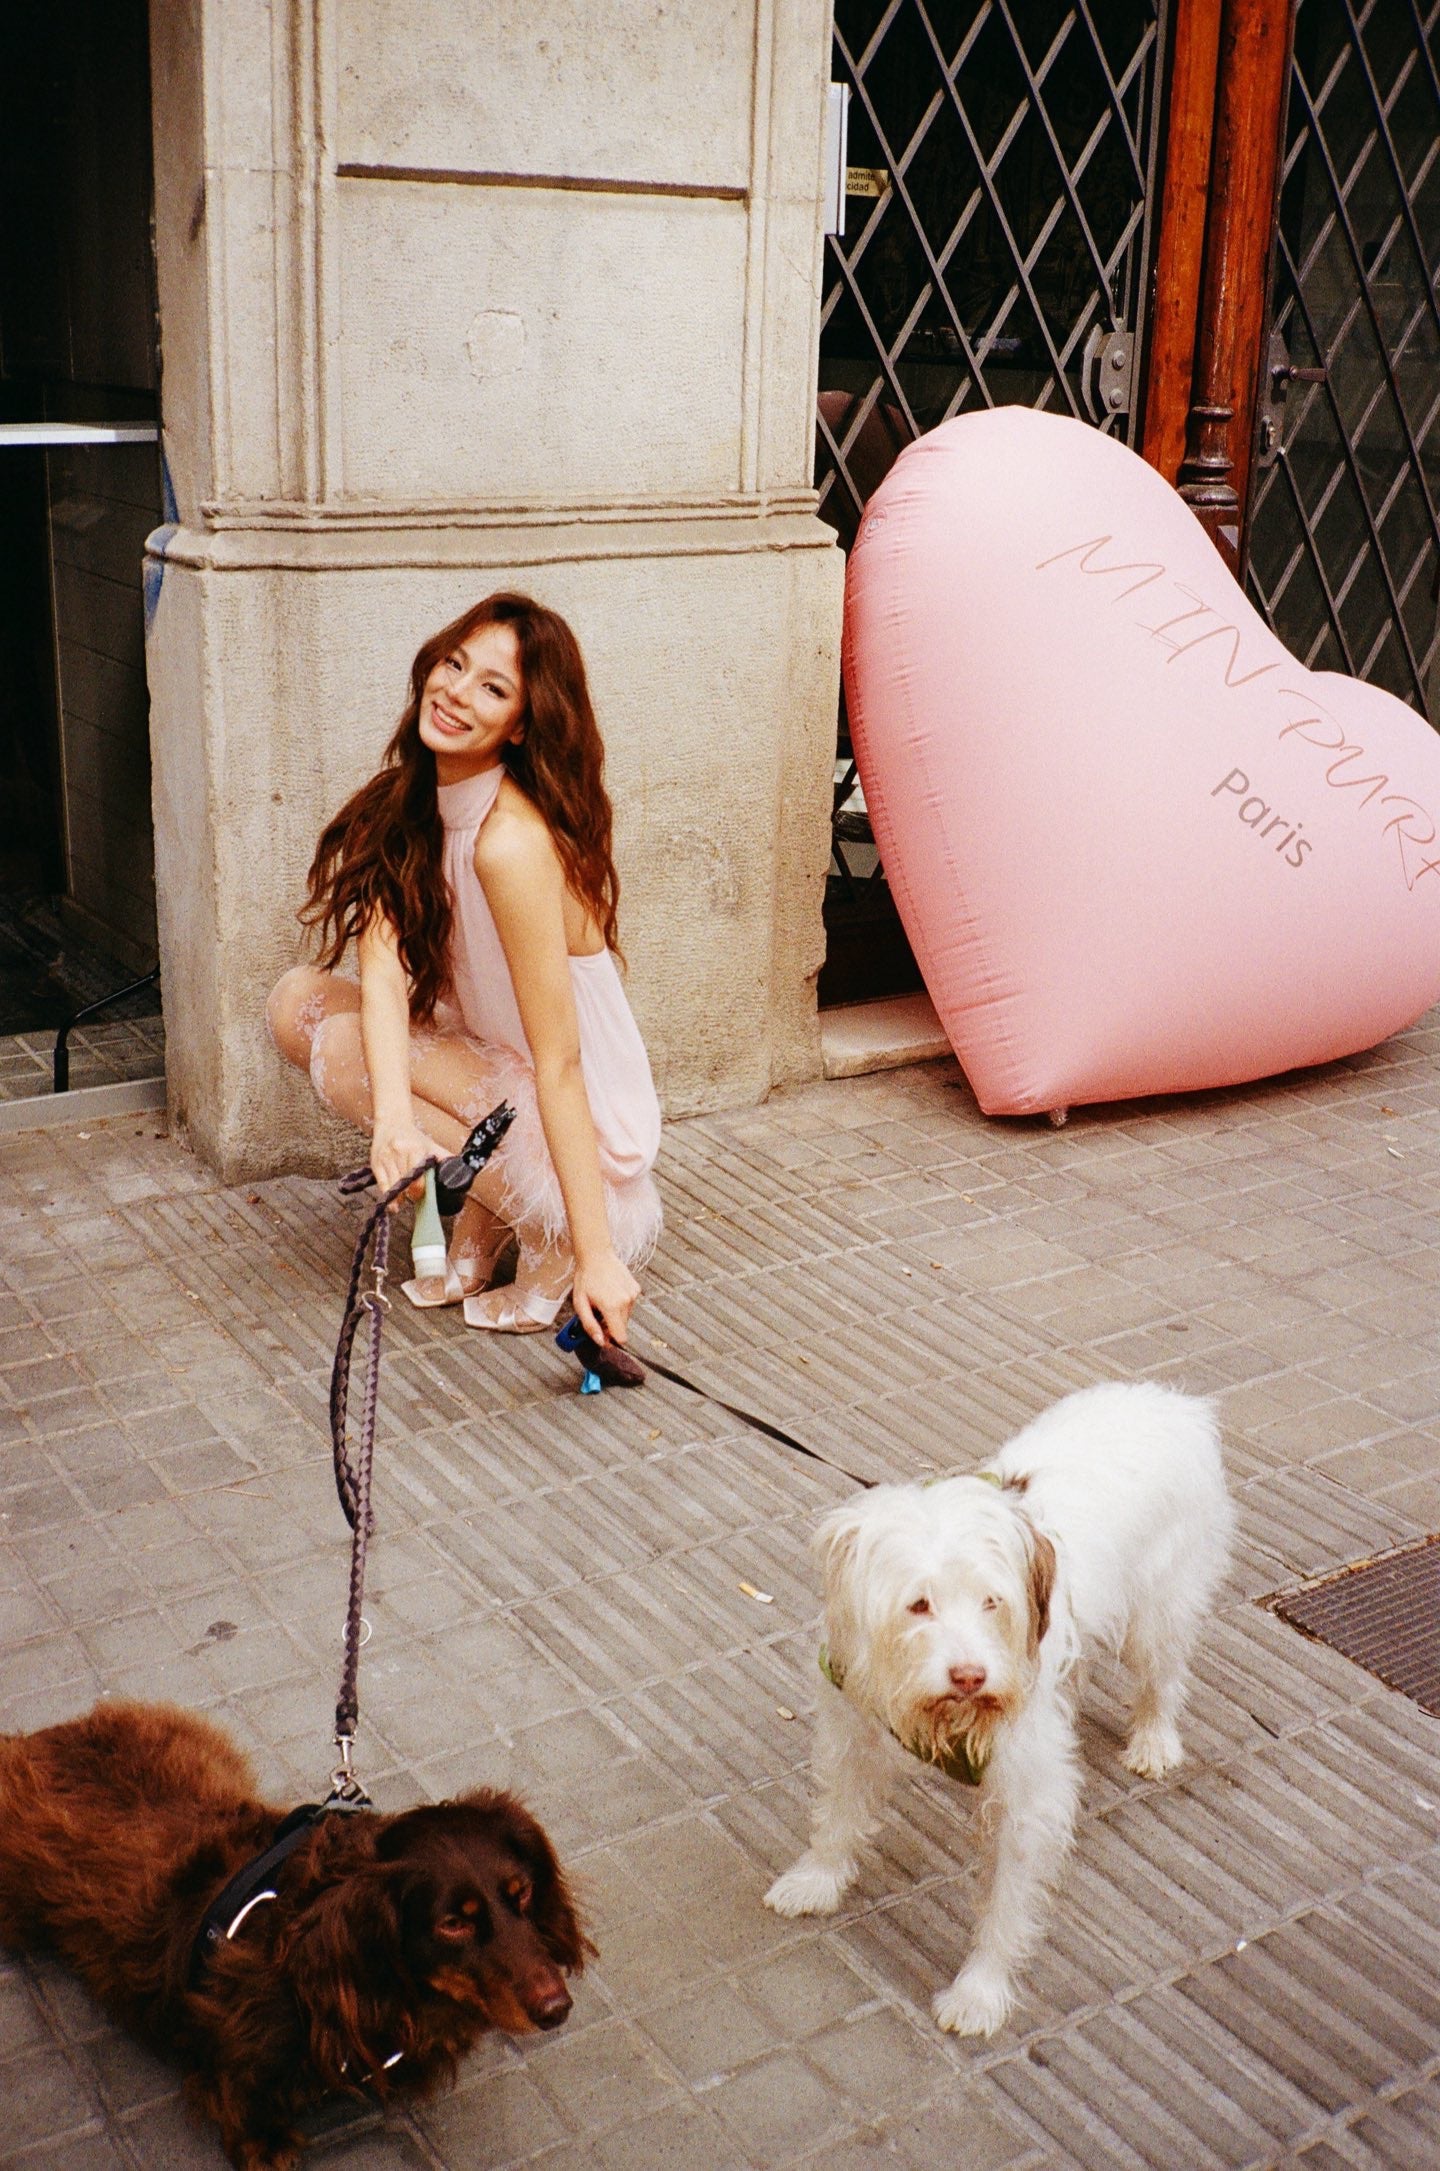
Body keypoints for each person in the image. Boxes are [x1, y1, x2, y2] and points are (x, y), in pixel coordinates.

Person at [267, 592, 661, 1345]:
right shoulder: (412, 803)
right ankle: (495, 1205)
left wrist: (599, 1254)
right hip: (492, 1062)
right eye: (455, 663)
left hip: (576, 1107)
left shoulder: (507, 843)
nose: (455, 692)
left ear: (521, 726)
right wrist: (390, 1123)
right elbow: (380, 976)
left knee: (348, 1049)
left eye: (493, 687)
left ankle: (556, 1236)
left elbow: (560, 1061)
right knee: (300, 1005)